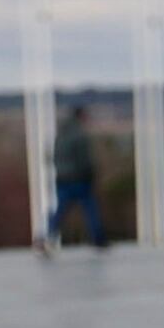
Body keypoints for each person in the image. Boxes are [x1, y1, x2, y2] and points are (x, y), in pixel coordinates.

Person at [44, 107, 104, 252]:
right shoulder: (80, 136)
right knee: (90, 209)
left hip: (62, 179)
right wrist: (91, 174)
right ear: (81, 117)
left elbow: (51, 156)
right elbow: (84, 159)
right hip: (79, 179)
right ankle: (98, 239)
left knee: (60, 211)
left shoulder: (60, 135)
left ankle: (48, 236)